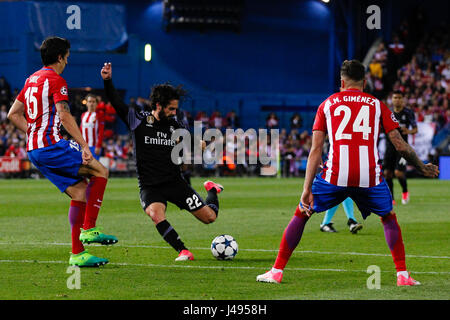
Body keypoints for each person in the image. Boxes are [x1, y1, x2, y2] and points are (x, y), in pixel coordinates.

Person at [256, 60, 439, 286]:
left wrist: (306, 190)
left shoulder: (327, 104)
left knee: (301, 213)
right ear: (364, 82)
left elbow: (315, 151)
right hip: (369, 177)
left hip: (335, 175)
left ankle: (276, 271)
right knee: (389, 218)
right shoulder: (377, 104)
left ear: (342, 81)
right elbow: (399, 145)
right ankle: (402, 275)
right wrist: (422, 166)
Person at [7, 37, 117, 267]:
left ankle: (78, 254)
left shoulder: (30, 80)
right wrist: (85, 146)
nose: (68, 60)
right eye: (67, 55)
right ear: (60, 56)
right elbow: (65, 116)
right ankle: (89, 229)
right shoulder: (56, 80)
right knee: (101, 171)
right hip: (51, 146)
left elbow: (13, 114)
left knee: (80, 193)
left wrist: (34, 132)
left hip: (35, 150)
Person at [101, 62, 224, 261]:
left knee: (210, 218)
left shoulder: (176, 124)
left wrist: (195, 142)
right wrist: (107, 81)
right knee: (155, 213)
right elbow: (117, 103)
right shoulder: (138, 120)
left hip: (174, 183)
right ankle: (183, 251)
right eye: (171, 109)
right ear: (158, 106)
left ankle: (212, 189)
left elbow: (183, 140)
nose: (175, 112)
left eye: (176, 109)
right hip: (150, 185)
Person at [383, 91, 417, 204]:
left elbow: (415, 129)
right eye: (395, 97)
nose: (397, 100)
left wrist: (409, 131)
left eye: (399, 98)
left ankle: (405, 191)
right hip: (389, 146)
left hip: (402, 148)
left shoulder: (408, 113)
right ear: (391, 100)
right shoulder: (388, 113)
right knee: (387, 173)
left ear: (403, 99)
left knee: (398, 173)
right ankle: (391, 198)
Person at [80, 93, 105, 160]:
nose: (91, 104)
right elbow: (80, 131)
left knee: (94, 169)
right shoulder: (83, 115)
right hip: (84, 147)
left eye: (93, 102)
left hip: (94, 147)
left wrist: (98, 146)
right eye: (90, 101)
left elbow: (101, 131)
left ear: (96, 104)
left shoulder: (99, 115)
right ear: (86, 103)